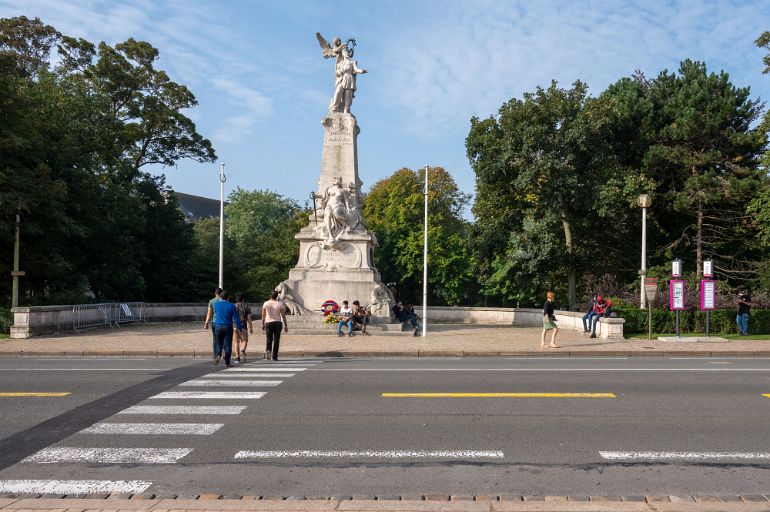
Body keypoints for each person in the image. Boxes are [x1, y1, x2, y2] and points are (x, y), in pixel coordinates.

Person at [211, 290, 243, 367]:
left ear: (221, 297)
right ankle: (227, 362)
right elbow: (236, 318)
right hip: (228, 327)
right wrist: (240, 328)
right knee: (228, 344)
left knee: (219, 343)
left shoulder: (216, 305)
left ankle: (218, 355)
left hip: (218, 326)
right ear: (228, 297)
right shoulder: (231, 306)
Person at [262, 291, 288, 361]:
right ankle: (275, 356)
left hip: (268, 322)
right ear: (277, 296)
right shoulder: (280, 304)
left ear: (270, 295)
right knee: (276, 340)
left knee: (269, 339)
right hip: (277, 322)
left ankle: (268, 350)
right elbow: (283, 315)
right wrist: (285, 325)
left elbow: (263, 315)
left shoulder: (266, 303)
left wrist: (262, 324)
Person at [233, 294, 253, 363]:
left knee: (236, 342)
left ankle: (237, 357)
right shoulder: (246, 306)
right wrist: (250, 327)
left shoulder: (233, 306)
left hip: (235, 325)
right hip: (243, 324)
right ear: (243, 299)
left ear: (236, 300)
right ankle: (243, 350)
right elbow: (249, 318)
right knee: (245, 340)